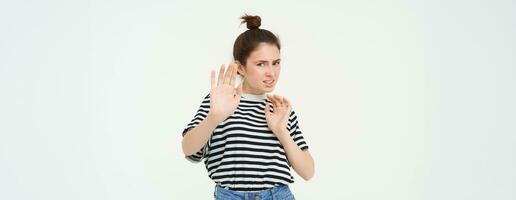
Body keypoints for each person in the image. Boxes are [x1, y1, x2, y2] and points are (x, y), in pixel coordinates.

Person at [181, 14, 315, 200]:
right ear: (240, 67)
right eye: (261, 64)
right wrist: (214, 117)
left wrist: (281, 132)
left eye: (276, 63)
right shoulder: (220, 101)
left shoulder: (279, 109)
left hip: (278, 195)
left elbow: (308, 172)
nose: (272, 73)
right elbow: (189, 150)